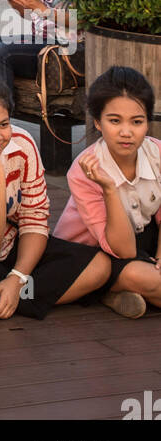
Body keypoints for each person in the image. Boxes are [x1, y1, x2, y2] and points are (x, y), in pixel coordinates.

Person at [0, 59, 110, 325]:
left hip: (15, 250)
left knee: (100, 267)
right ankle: (13, 297)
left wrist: (17, 278)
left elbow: (34, 218)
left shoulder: (22, 144)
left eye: (3, 124)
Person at [54, 66, 161, 317]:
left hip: (142, 237)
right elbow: (122, 251)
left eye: (137, 121)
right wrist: (110, 189)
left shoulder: (157, 154)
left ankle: (111, 294)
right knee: (147, 279)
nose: (126, 132)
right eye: (115, 121)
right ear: (97, 123)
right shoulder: (84, 169)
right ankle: (101, 289)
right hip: (92, 253)